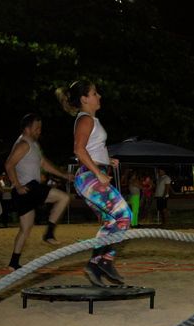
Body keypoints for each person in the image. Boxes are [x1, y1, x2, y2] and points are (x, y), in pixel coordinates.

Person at [57, 80, 132, 286]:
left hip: (90, 176)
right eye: (94, 93)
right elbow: (79, 150)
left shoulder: (90, 119)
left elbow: (92, 148)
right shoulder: (85, 120)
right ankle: (105, 261)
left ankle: (95, 265)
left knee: (111, 222)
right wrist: (98, 172)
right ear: (84, 99)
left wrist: (107, 160)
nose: (99, 96)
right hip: (90, 177)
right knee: (125, 215)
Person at [4, 113, 72, 270]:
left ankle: (13, 263)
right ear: (27, 129)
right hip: (28, 188)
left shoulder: (33, 144)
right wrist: (17, 185)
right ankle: (49, 233)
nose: (39, 131)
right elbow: (8, 164)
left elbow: (44, 164)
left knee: (26, 228)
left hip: (26, 191)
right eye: (36, 128)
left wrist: (63, 175)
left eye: (40, 128)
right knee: (63, 198)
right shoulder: (23, 144)